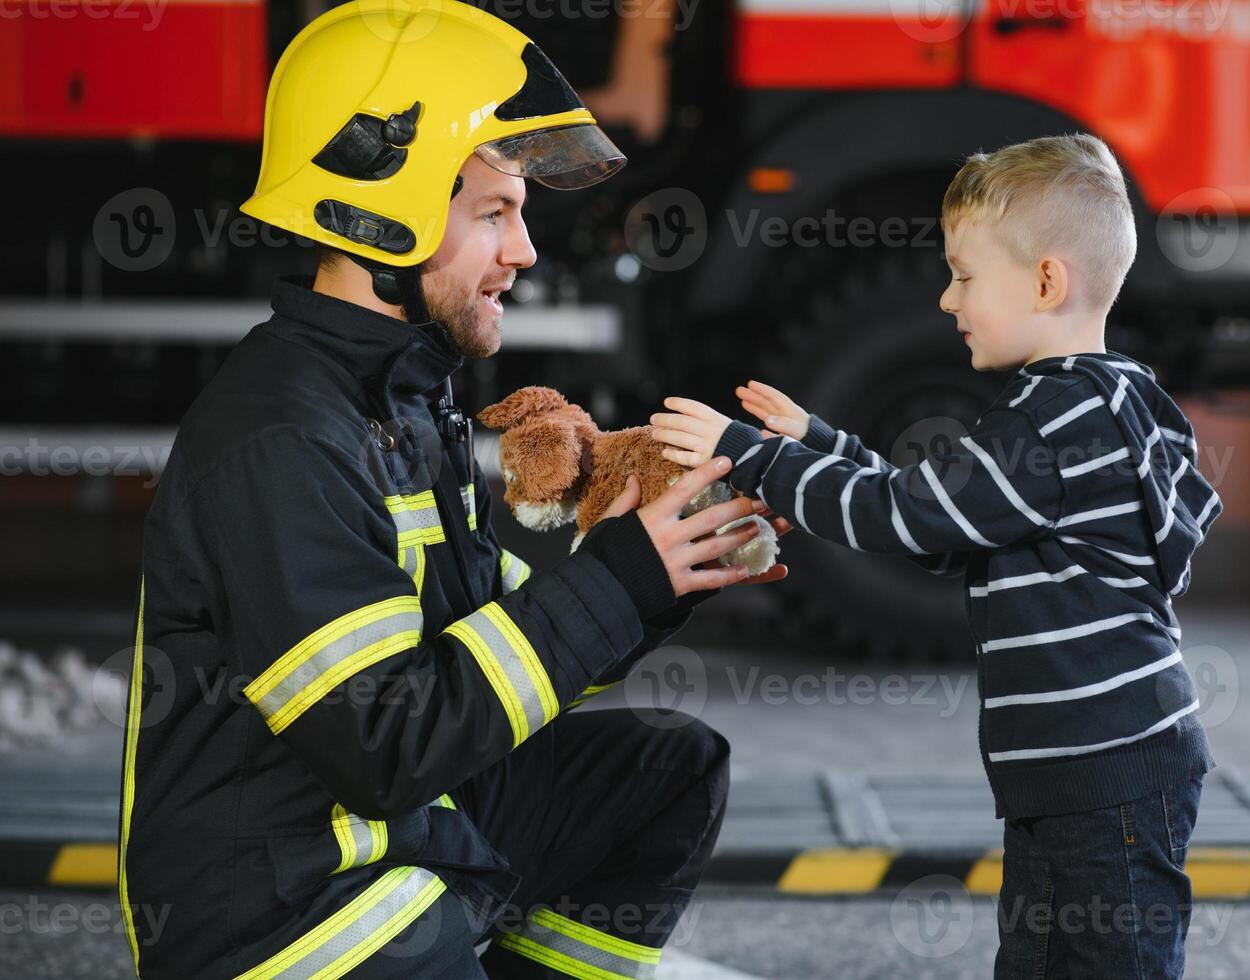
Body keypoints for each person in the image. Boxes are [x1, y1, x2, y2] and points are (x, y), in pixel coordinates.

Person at [116, 2, 790, 976]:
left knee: (666, 772)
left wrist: (654, 574)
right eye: (493, 214)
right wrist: (614, 582)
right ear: (376, 213)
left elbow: (486, 639)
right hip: (287, 912)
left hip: (387, 833)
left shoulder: (404, 398)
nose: (523, 252)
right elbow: (384, 740)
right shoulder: (281, 437)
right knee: (417, 913)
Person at [648, 133, 1223, 980]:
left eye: (962, 274)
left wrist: (757, 455)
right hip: (1078, 774)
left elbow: (909, 516)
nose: (947, 300)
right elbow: (948, 516)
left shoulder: (1053, 422)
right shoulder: (1095, 398)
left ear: (1044, 281)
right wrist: (827, 443)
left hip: (1104, 775)